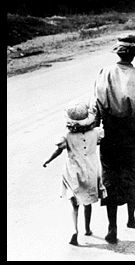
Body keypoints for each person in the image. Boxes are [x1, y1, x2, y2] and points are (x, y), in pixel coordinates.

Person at [90, 34, 135, 244]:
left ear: (118, 52)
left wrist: (93, 132)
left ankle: (112, 226)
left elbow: (95, 107)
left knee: (110, 177)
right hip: (132, 135)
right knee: (130, 175)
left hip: (110, 134)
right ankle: (130, 217)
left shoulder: (104, 73)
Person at [43, 101, 107, 246]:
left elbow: (58, 150)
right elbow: (101, 141)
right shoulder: (95, 133)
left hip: (73, 171)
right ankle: (87, 228)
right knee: (88, 202)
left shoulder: (67, 136)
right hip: (91, 170)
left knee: (74, 203)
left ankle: (74, 229)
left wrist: (48, 160)